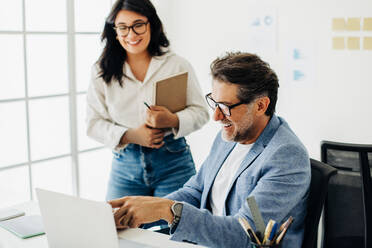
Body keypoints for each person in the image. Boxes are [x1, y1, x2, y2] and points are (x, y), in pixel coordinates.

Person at [109, 52, 311, 247]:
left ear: (260, 106)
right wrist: (140, 213)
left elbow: (245, 234)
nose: (215, 116)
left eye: (225, 106)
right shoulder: (230, 136)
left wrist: (167, 210)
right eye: (214, 103)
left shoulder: (285, 156)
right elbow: (196, 191)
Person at [86, 0, 209, 202]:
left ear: (151, 24)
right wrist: (132, 135)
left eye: (138, 25)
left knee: (174, 231)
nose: (131, 35)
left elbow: (201, 112)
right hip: (125, 165)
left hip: (173, 162)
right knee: (117, 228)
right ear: (114, 31)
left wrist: (172, 120)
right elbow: (93, 124)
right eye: (123, 28)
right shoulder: (101, 70)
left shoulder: (176, 64)